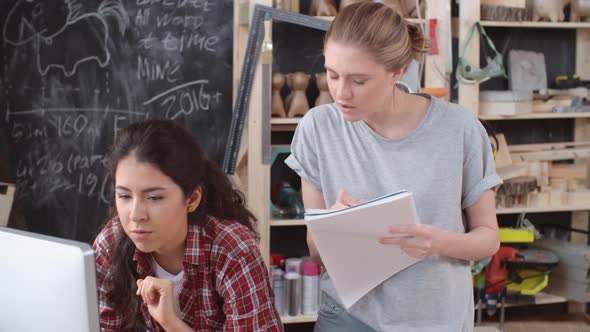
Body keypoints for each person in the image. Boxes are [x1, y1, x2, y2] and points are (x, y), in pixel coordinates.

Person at [285, 2, 502, 332]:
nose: (341, 92)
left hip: (436, 318)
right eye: (332, 74)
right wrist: (336, 225)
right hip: (349, 318)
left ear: (397, 72)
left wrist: (438, 242)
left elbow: (488, 239)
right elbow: (316, 255)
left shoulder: (459, 129)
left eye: (359, 80)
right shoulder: (317, 129)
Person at [93, 120, 283, 332]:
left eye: (154, 197)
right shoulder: (109, 244)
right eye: (124, 196)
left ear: (192, 199)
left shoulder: (233, 250)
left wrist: (171, 324)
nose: (136, 215)